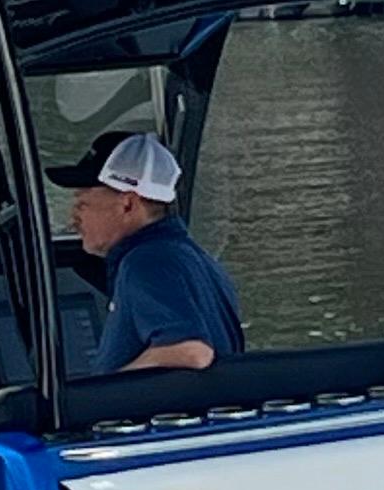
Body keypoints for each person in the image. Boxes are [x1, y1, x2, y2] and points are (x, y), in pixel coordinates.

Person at [47, 128, 244, 375]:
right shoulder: (197, 259)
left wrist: (102, 394)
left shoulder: (146, 262)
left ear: (128, 204)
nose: (73, 219)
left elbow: (191, 351)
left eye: (82, 204)